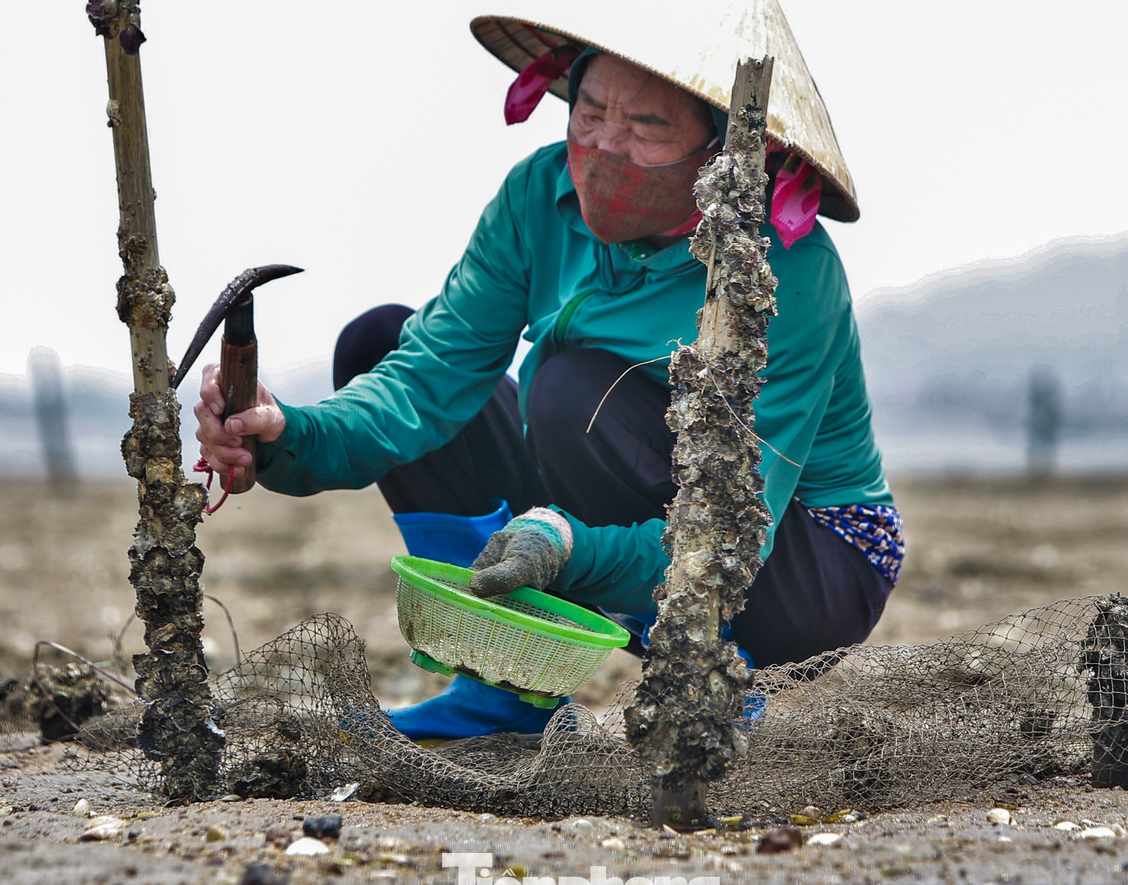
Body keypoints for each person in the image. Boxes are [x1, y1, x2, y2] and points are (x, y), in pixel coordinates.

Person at [193, 2, 903, 743]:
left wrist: (572, 548)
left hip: (799, 563)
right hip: (604, 488)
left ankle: (710, 674)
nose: (605, 146)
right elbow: (428, 376)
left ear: (719, 147)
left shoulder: (786, 268)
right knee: (379, 342)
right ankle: (502, 684)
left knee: (575, 394)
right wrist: (283, 434)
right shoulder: (537, 197)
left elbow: (733, 533)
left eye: (649, 128)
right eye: (591, 111)